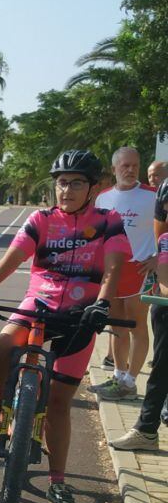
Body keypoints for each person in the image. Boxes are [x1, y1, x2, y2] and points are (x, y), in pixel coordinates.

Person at [0, 150, 127, 503]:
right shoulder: (41, 219)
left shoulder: (109, 220)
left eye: (76, 182)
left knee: (60, 403)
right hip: (39, 306)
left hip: (81, 315)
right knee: (0, 345)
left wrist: (103, 304)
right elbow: (12, 258)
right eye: (62, 182)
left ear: (94, 188)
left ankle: (58, 481)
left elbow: (113, 266)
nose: (67, 189)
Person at [92, 147, 157, 401]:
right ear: (114, 169)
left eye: (134, 165)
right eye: (125, 166)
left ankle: (130, 381)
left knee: (136, 325)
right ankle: (119, 377)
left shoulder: (153, 195)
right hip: (112, 270)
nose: (130, 170)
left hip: (140, 268)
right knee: (116, 323)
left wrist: (157, 258)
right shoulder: (103, 199)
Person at [110, 221, 168, 450]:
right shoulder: (165, 241)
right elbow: (165, 284)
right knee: (161, 372)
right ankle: (146, 431)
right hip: (165, 313)